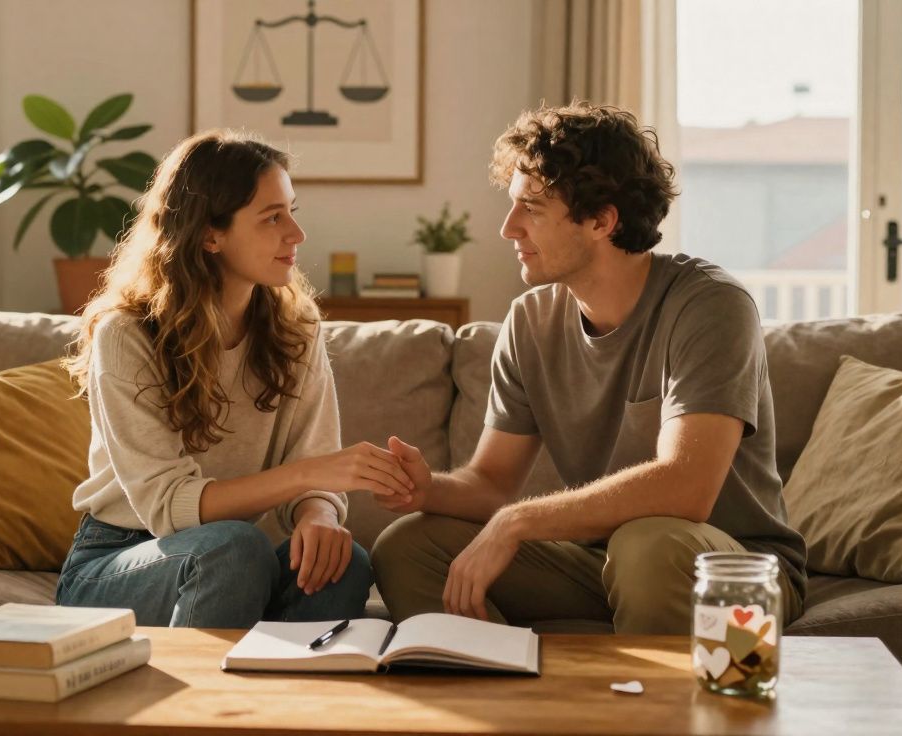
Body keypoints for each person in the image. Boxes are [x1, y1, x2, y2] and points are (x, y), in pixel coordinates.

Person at [370, 102, 807, 634]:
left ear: (602, 220)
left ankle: (648, 714)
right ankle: (492, 697)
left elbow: (686, 488)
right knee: (409, 546)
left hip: (733, 571)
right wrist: (427, 490)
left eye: (531, 208)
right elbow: (490, 483)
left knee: (646, 544)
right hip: (598, 564)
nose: (508, 228)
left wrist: (520, 521)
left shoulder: (710, 305)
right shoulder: (530, 320)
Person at [56, 130, 412, 627]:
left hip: (231, 560)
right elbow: (168, 507)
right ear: (209, 234)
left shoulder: (297, 329)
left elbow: (311, 467)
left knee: (345, 564)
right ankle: (205, 705)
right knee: (235, 548)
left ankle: (285, 700)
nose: (296, 234)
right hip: (117, 559)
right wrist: (312, 476)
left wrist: (320, 516)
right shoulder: (127, 333)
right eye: (272, 217)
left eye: (292, 210)